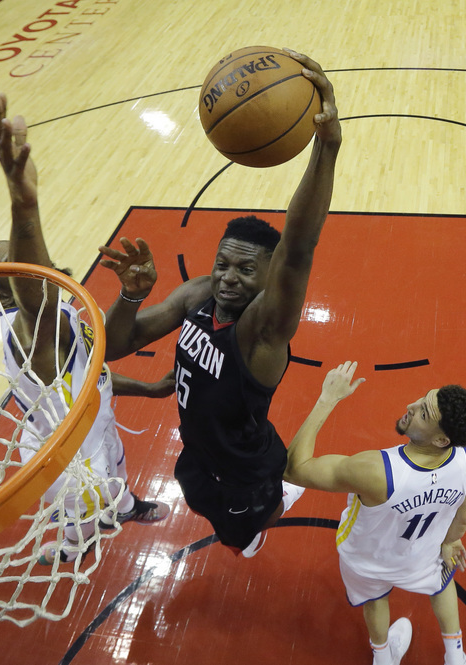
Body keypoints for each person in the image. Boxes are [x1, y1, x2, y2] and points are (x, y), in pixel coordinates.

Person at [97, 49, 341, 557]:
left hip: (246, 471)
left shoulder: (262, 329)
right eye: (224, 263)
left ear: (269, 275)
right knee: (195, 495)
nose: (229, 278)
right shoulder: (198, 293)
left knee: (242, 539)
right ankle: (271, 493)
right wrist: (130, 296)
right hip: (198, 452)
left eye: (247, 269)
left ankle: (280, 499)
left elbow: (298, 247)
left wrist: (327, 147)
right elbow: (116, 346)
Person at [0, 93, 174, 565]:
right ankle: (72, 545)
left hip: (93, 426)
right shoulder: (33, 326)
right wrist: (24, 206)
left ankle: (126, 507)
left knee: (118, 480)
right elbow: (33, 293)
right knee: (81, 514)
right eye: (13, 266)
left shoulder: (59, 318)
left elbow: (90, 377)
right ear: (2, 294)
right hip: (65, 457)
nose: (28, 263)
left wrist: (149, 388)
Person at [282, 361, 466, 665]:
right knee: (442, 581)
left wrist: (327, 399)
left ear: (442, 440)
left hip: (368, 560)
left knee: (375, 599)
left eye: (424, 412)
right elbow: (465, 517)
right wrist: (449, 542)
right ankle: (456, 656)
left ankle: (382, 657)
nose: (411, 405)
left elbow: (294, 470)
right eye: (422, 398)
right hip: (421, 555)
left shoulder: (376, 471)